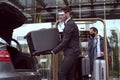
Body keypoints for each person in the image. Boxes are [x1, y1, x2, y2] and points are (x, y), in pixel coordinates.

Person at [51, 7, 81, 80]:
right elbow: (64, 40)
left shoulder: (70, 24)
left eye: (61, 15)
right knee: (70, 75)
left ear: (67, 14)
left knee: (61, 72)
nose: (60, 17)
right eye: (59, 15)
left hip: (71, 53)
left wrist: (53, 51)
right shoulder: (69, 24)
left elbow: (65, 41)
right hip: (73, 53)